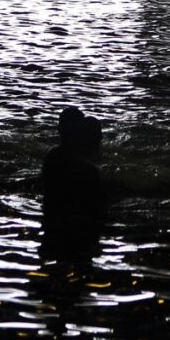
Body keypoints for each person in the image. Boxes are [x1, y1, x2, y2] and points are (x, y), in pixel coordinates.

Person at [41, 107, 106, 260]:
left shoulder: (51, 157)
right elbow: (98, 209)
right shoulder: (88, 169)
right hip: (79, 230)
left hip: (53, 225)